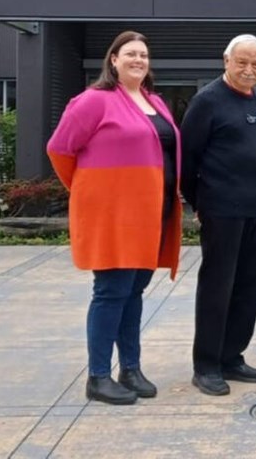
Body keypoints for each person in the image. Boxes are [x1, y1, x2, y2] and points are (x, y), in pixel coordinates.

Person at [46, 30, 182, 405]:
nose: (138, 60)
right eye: (130, 54)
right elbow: (60, 149)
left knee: (134, 292)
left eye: (143, 54)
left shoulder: (155, 101)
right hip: (114, 215)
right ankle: (98, 376)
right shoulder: (94, 101)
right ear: (114, 60)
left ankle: (131, 369)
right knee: (110, 293)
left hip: (152, 214)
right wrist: (91, 190)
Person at [180, 34, 256, 396]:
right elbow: (187, 160)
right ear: (226, 60)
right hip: (223, 212)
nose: (249, 70)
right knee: (217, 288)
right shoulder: (207, 101)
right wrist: (200, 203)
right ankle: (206, 364)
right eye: (242, 62)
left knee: (249, 287)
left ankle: (232, 355)